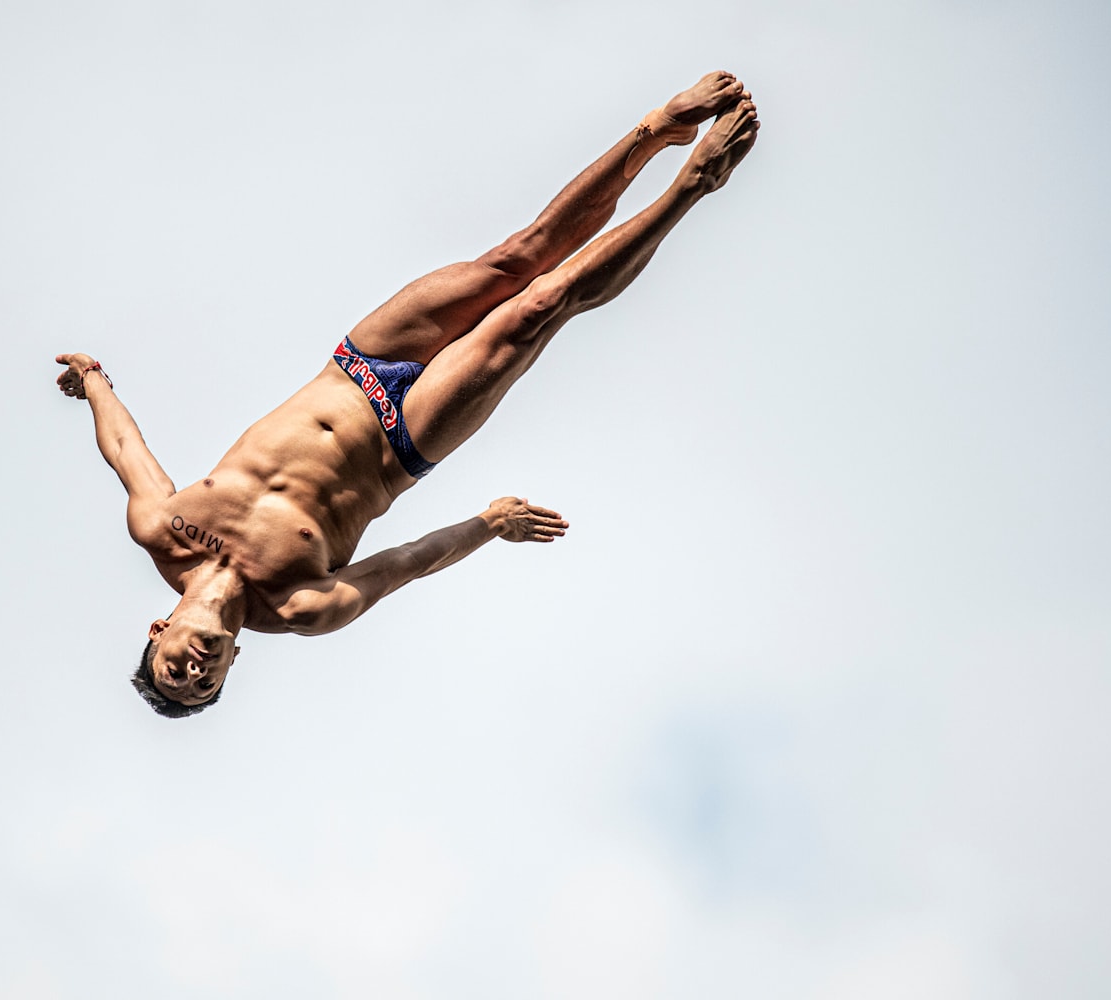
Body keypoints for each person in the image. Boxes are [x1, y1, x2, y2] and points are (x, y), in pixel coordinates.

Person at [55, 72, 759, 717]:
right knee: (541, 306)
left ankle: (656, 130)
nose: (198, 671)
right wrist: (489, 524)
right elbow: (407, 564)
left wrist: (93, 380)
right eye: (210, 682)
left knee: (515, 258)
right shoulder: (302, 607)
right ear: (236, 661)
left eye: (178, 670)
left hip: (356, 367)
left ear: (160, 629)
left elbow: (126, 451)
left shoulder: (161, 530)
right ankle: (692, 184)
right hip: (404, 443)